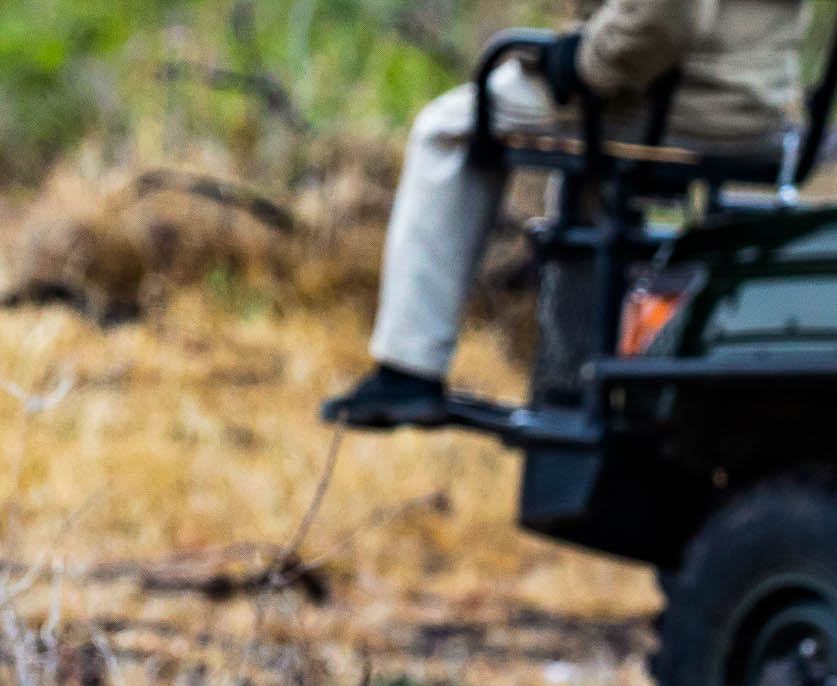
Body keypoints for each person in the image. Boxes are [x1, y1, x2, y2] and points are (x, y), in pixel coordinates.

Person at [325, 0, 808, 429]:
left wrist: (583, 62)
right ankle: (579, 379)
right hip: (753, 105)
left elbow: (665, 16)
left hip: (681, 98)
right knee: (590, 179)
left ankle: (409, 368)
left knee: (446, 130)